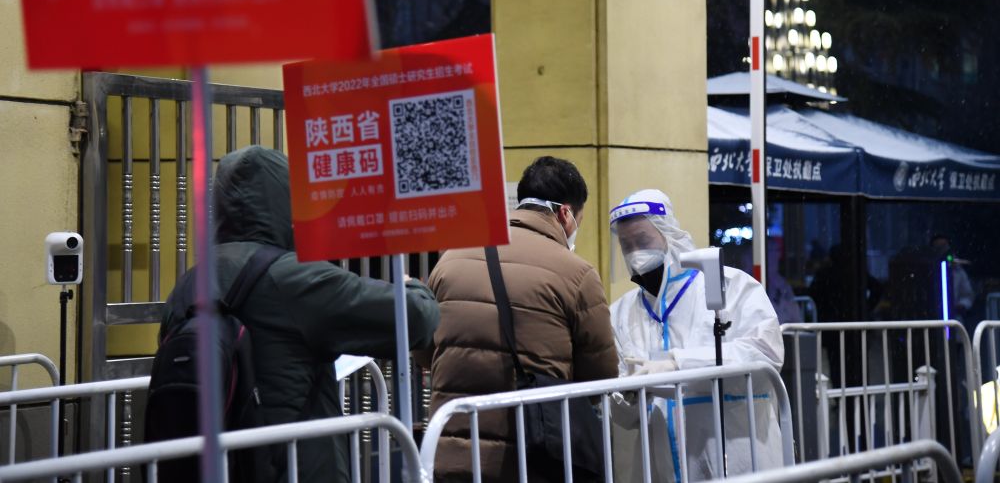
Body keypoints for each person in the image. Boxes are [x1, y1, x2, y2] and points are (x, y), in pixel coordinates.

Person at [159, 145, 440, 483]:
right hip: (296, 470)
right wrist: (412, 287)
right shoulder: (291, 278)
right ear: (285, 201)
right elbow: (416, 320)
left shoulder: (188, 285)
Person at [415, 156, 618, 482]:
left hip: (450, 455)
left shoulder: (450, 260)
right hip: (530, 458)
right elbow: (599, 378)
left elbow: (426, 353)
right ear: (565, 214)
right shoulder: (577, 274)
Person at [608, 189, 784, 482]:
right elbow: (624, 418)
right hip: (664, 469)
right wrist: (627, 397)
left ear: (669, 235)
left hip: (738, 460)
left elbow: (766, 357)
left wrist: (679, 364)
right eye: (627, 245)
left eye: (643, 241)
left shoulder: (732, 286)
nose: (635, 254)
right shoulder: (621, 314)